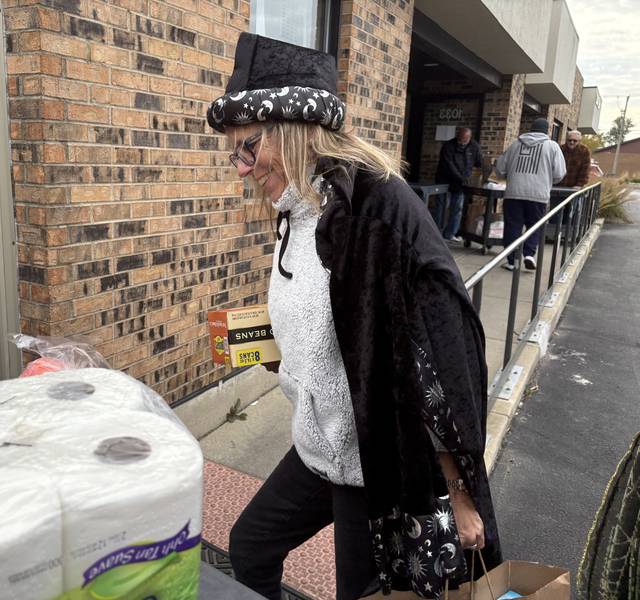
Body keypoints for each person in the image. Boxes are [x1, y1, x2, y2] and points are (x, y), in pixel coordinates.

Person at [207, 33, 501, 600]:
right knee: (251, 545)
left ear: (295, 130)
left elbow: (441, 353)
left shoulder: (375, 210)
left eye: (248, 147)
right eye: (234, 153)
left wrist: (459, 491)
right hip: (322, 443)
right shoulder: (298, 206)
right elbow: (335, 319)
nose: (241, 169)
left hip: (375, 463)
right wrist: (284, 354)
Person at [494, 118, 566, 271]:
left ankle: (512, 261)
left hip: (514, 193)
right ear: (547, 130)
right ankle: (529, 254)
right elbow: (560, 173)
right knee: (535, 225)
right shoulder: (552, 147)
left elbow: (500, 168)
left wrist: (509, 175)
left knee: (512, 226)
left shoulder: (515, 144)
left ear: (531, 129)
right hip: (538, 194)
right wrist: (548, 180)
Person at [434, 127, 483, 242]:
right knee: (442, 207)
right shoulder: (448, 146)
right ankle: (436, 233)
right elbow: (449, 165)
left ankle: (450, 234)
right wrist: (461, 178)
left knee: (457, 208)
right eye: (459, 139)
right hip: (445, 180)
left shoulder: (474, 147)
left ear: (469, 138)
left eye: (463, 140)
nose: (460, 142)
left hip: (461, 183)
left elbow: (479, 162)